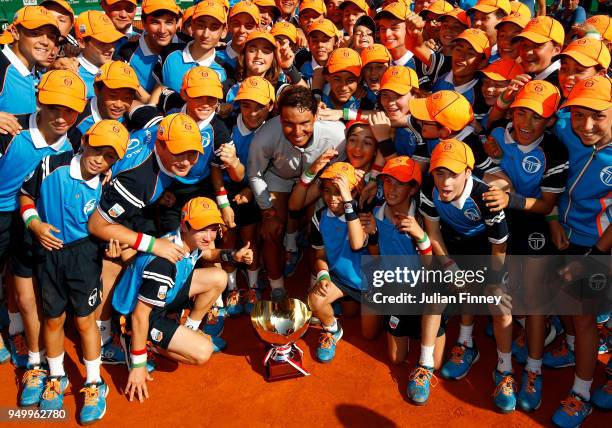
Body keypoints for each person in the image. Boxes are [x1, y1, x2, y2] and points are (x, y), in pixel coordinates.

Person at [20, 120, 128, 423]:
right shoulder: (49, 165)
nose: (99, 158)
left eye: (109, 156)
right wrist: (35, 224)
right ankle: (57, 377)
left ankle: (94, 382)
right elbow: (26, 196)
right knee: (53, 319)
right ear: (84, 142)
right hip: (49, 253)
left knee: (84, 321)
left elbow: (107, 226)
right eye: (97, 149)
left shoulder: (108, 188)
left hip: (83, 256)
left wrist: (111, 247)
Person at [0, 70, 87, 403]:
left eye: (70, 109)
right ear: (39, 100)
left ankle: (34, 357)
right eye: (53, 107)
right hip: (3, 214)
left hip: (38, 223)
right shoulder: (10, 129)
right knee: (17, 292)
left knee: (30, 298)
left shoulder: (78, 141)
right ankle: (16, 333)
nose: (61, 116)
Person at [115, 197, 253, 402]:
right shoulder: (164, 264)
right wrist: (138, 365)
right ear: (184, 225)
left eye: (213, 229)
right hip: (138, 315)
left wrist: (233, 256)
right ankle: (144, 343)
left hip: (166, 295)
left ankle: (189, 330)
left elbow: (207, 254)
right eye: (202, 229)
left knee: (219, 277)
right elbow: (139, 315)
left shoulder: (185, 240)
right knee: (202, 352)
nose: (209, 236)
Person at [417, 139, 510, 410]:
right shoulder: (428, 187)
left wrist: (493, 282)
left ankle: (505, 371)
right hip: (450, 245)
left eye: (454, 174)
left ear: (468, 172)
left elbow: (499, 246)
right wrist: (450, 269)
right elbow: (433, 233)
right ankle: (427, 363)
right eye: (439, 173)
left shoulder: (486, 197)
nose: (445, 182)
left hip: (488, 250)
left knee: (500, 305)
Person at [247, 86, 346, 300]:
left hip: (318, 178)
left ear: (317, 116)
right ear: (279, 117)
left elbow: (334, 174)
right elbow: (254, 175)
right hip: (278, 177)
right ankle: (277, 287)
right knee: (271, 232)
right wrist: (268, 213)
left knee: (321, 228)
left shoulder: (338, 134)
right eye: (288, 124)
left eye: (304, 123)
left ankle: (316, 286)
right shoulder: (265, 137)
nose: (297, 132)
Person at [307, 162, 368, 362]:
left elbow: (357, 244)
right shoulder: (318, 218)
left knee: (369, 334)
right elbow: (320, 256)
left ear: (353, 193)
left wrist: (349, 201)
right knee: (315, 299)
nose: (332, 199)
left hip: (370, 284)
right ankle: (332, 330)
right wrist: (323, 275)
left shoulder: (365, 214)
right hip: (340, 280)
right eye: (327, 191)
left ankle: (349, 304)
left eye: (339, 192)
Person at [0, 6, 60, 114]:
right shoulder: (2, 69)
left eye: (51, 36)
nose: (45, 42)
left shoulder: (38, 73)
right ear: (15, 32)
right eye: (36, 33)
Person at [74, 10, 126, 98]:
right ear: (82, 42)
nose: (112, 49)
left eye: (113, 41)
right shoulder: (71, 74)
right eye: (103, 43)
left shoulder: (122, 66)